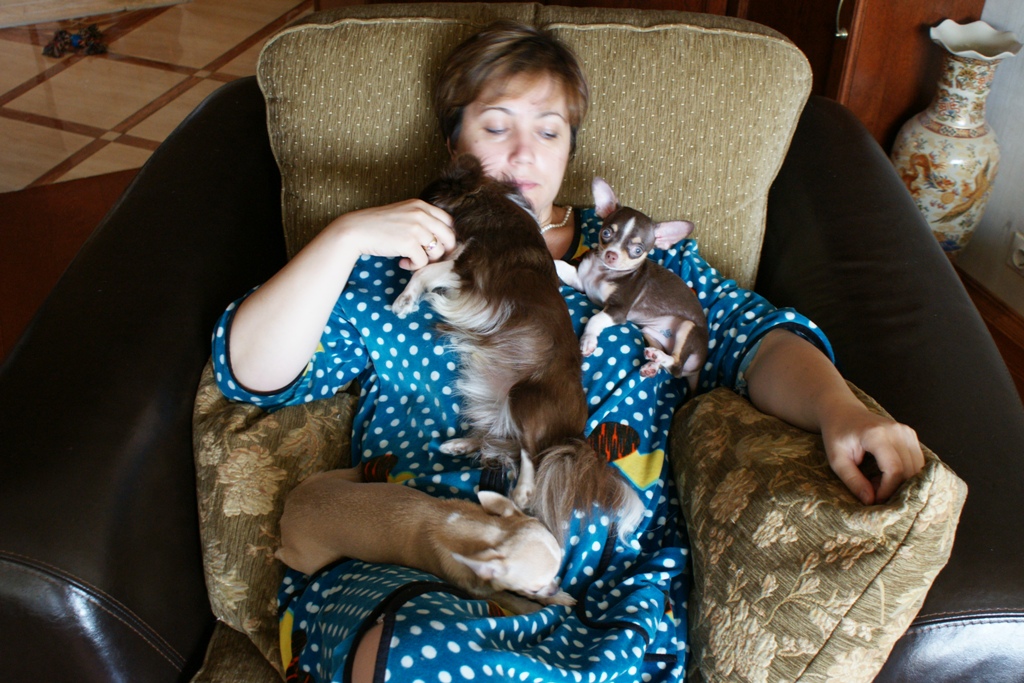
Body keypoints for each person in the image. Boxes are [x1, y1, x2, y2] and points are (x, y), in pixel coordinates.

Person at [212, 20, 924, 683]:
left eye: (548, 131)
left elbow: (755, 340)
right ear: (454, 144)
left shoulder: (637, 260)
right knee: (421, 650)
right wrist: (344, 237)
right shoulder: (402, 252)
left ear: (569, 150)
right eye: (496, 126)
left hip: (613, 598)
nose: (524, 153)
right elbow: (252, 375)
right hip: (418, 575)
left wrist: (839, 409)